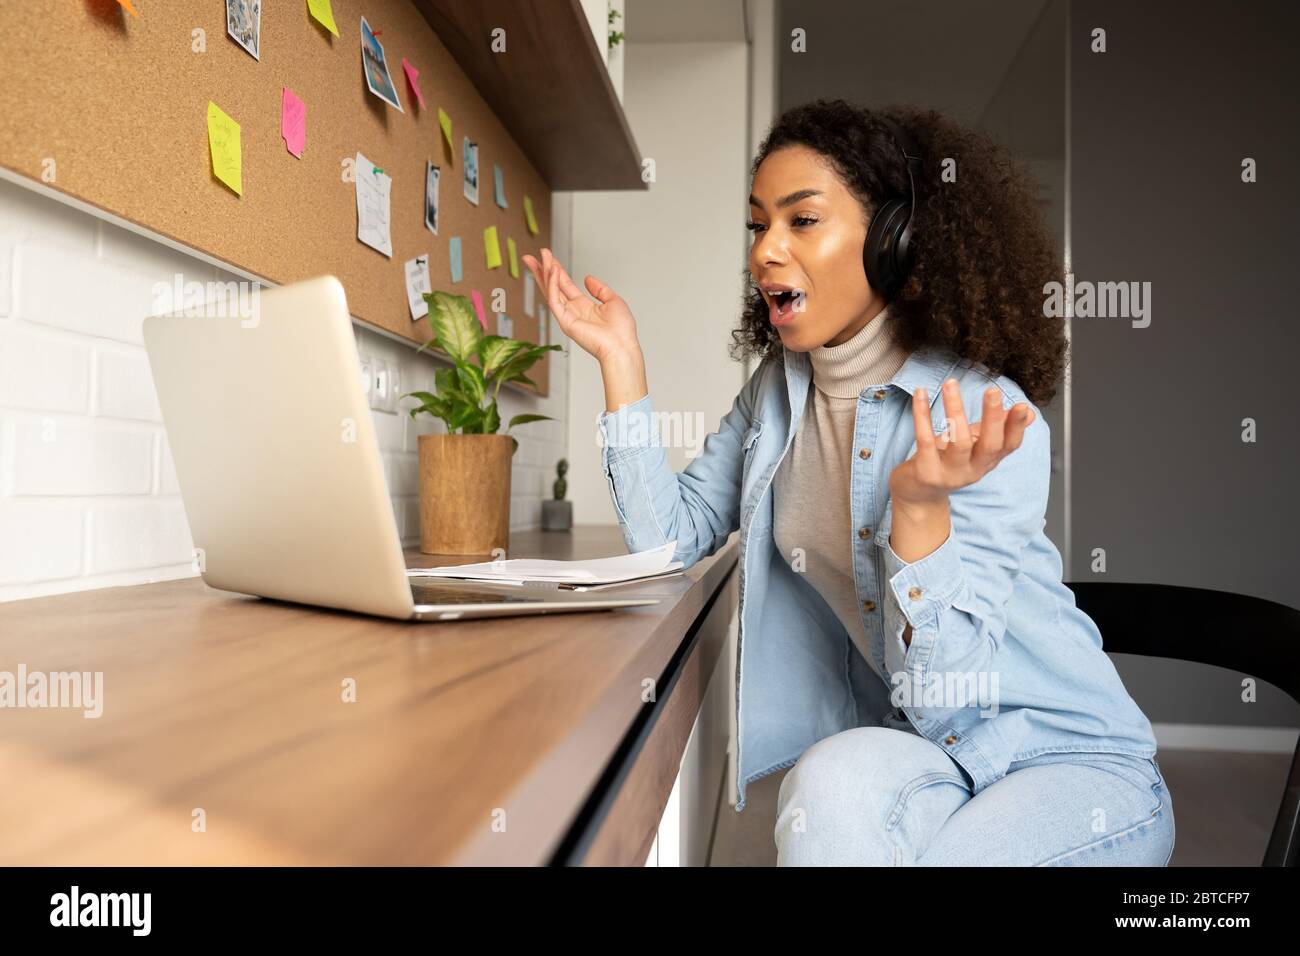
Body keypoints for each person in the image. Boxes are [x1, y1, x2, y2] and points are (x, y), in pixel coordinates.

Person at [522, 99, 1174, 867]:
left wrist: (919, 510)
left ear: (893, 241)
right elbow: (671, 539)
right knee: (829, 784)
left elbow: (948, 690)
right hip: (925, 755)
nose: (766, 251)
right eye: (758, 225)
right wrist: (621, 363)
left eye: (802, 220)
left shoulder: (982, 413)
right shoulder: (777, 392)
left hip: (1066, 761)